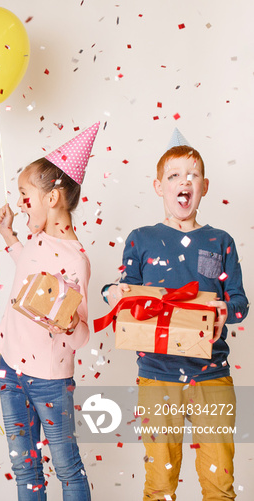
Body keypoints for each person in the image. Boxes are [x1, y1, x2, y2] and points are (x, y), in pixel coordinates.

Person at [102, 129, 248, 501]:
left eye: (193, 175)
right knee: (160, 485)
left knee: (219, 485)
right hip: (156, 376)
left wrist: (223, 309)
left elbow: (240, 304)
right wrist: (113, 293)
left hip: (212, 376)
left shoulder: (221, 241)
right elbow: (127, 292)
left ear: (205, 186)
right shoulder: (141, 238)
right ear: (158, 186)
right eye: (174, 176)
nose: (184, 182)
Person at [0, 123, 99, 500]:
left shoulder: (76, 260)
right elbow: (29, 268)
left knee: (67, 467)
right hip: (11, 368)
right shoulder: (37, 238)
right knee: (26, 468)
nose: (21, 203)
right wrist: (10, 235)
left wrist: (70, 321)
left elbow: (83, 333)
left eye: (26, 196)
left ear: (52, 198)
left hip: (50, 380)